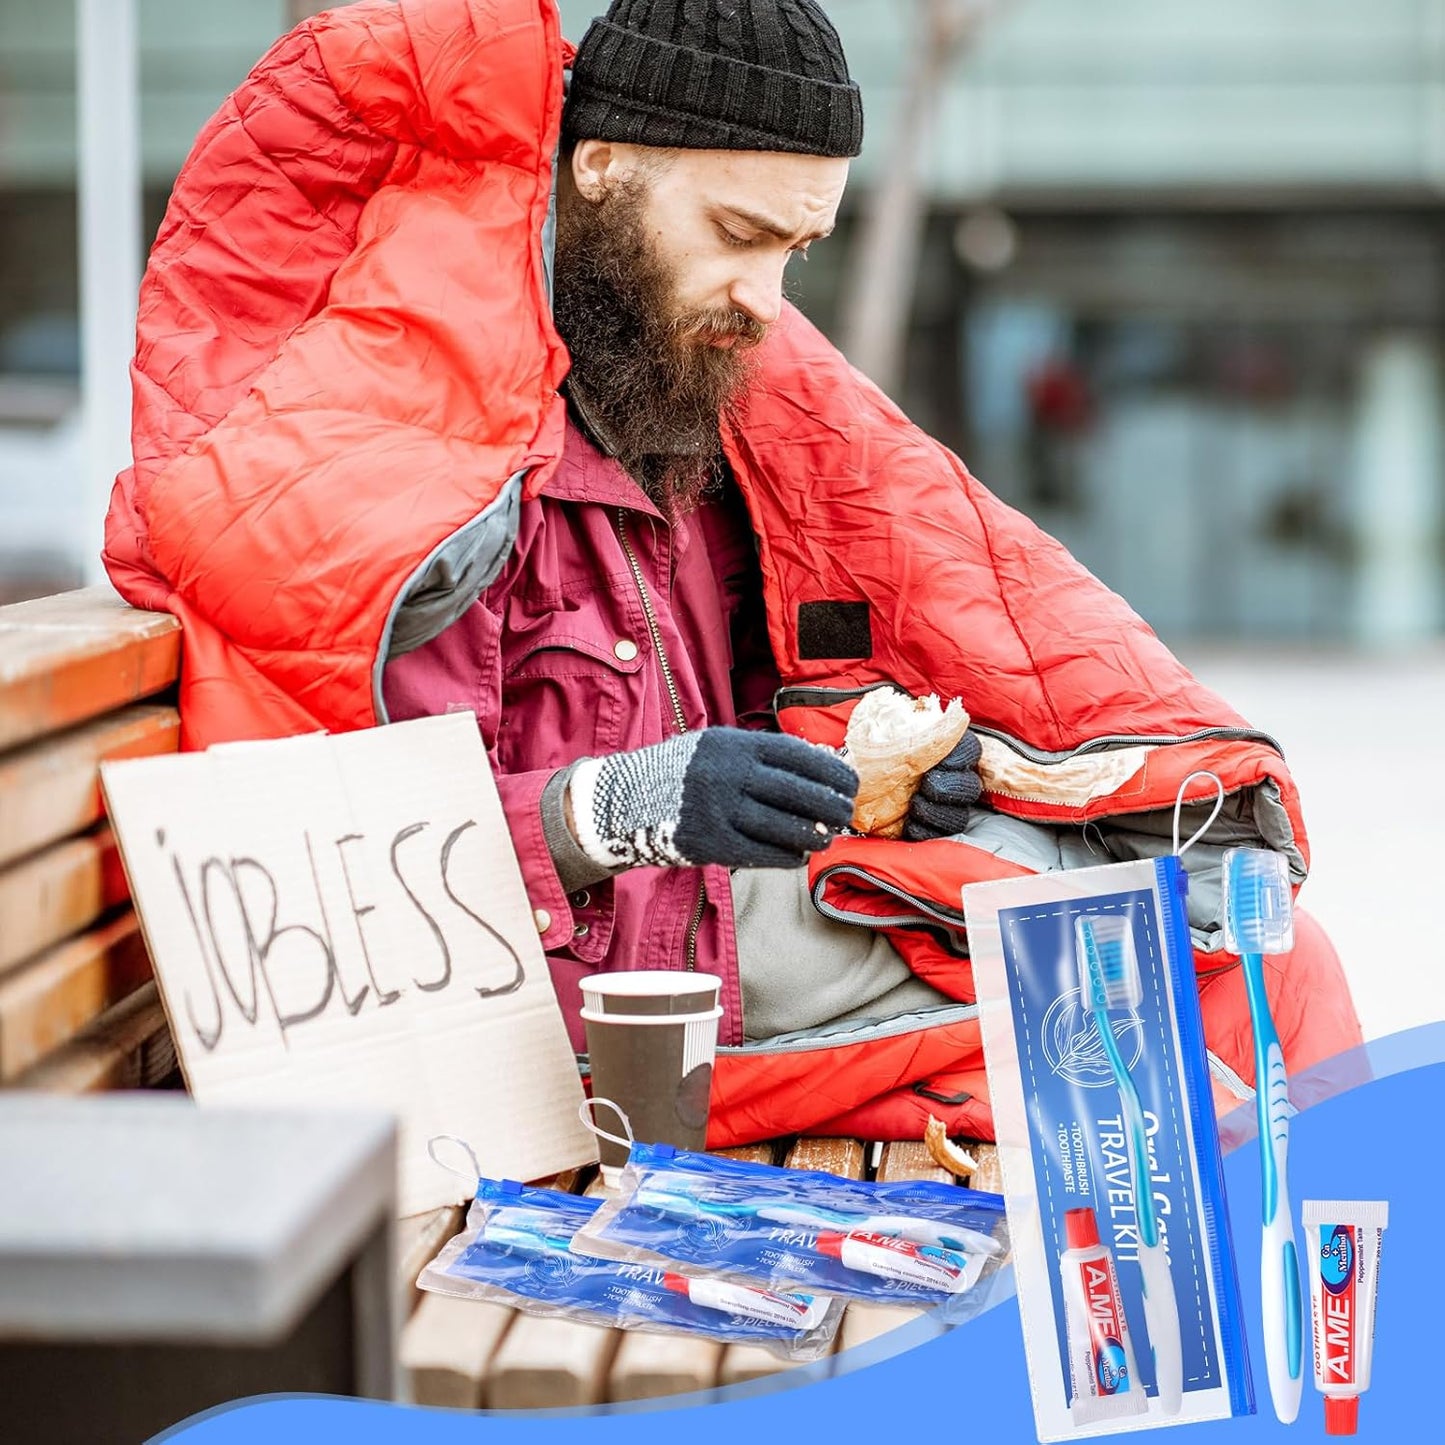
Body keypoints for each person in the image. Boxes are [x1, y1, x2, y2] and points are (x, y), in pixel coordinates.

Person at [102, 0, 1363, 1144]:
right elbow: (350, 864)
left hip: (713, 923)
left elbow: (729, 717)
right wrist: (616, 806)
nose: (763, 301)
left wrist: (861, 769)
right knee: (1207, 1005)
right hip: (584, 1013)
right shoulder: (415, 452)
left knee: (1245, 947)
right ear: (598, 168)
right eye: (736, 234)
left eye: (794, 253)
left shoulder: (661, 400)